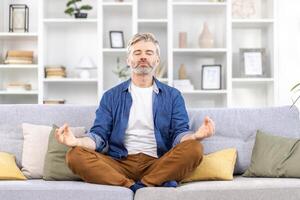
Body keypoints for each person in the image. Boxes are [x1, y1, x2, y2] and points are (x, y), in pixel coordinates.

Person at [55, 32, 215, 193]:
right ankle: (139, 184)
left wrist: (195, 137)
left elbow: (180, 134)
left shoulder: (173, 96)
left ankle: (144, 183)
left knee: (194, 148)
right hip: (119, 164)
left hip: (158, 162)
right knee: (74, 155)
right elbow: (99, 136)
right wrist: (76, 142)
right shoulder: (111, 96)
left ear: (157, 60)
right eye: (137, 53)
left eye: (149, 53)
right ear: (129, 60)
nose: (143, 57)